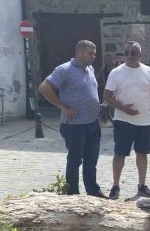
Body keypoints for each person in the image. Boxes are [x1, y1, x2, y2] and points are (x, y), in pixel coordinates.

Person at [38, 40, 107, 197]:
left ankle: (93, 192)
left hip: (92, 123)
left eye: (94, 53)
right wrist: (62, 107)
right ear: (79, 53)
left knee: (91, 160)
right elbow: (44, 87)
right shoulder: (65, 70)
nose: (94, 56)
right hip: (75, 125)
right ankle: (73, 194)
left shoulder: (89, 69)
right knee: (75, 160)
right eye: (91, 53)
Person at [103, 41, 150, 199]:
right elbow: (107, 97)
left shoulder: (149, 72)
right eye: (127, 52)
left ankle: (142, 186)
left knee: (142, 154)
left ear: (140, 55)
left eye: (133, 52)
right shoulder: (116, 72)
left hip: (144, 121)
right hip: (123, 121)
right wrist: (124, 108)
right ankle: (115, 186)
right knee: (119, 154)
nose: (129, 55)